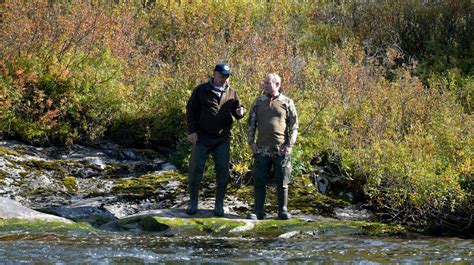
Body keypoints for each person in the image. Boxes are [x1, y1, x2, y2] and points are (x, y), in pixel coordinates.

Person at [185, 63, 246, 216]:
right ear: (214, 74)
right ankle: (193, 203)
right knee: (195, 169)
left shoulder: (232, 92)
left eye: (227, 76)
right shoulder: (201, 90)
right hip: (202, 136)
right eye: (222, 75)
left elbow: (238, 112)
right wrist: (192, 131)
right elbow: (190, 110)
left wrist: (241, 112)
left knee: (222, 170)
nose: (224, 79)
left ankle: (219, 205)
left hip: (222, 138)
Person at [247, 73, 298, 220]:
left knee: (282, 181)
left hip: (281, 149)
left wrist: (290, 145)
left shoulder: (287, 102)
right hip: (261, 149)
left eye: (268, 83)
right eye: (265, 82)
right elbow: (251, 123)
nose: (265, 85)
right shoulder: (258, 101)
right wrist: (251, 143)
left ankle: (283, 210)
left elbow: (294, 125)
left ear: (277, 84)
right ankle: (258, 211)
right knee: (259, 180)